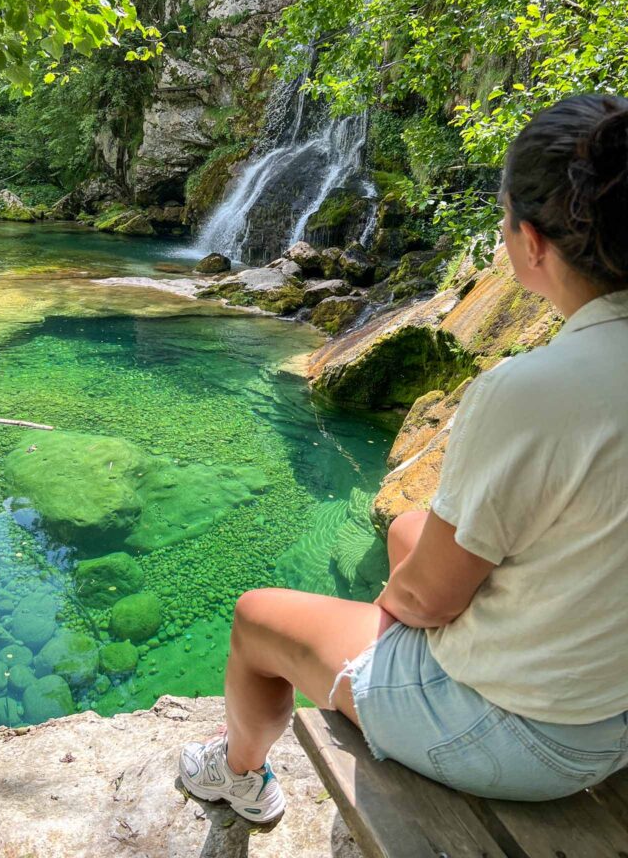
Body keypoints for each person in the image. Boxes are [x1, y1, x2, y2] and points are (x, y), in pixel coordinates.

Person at [178, 94, 628, 822]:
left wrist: (397, 612)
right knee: (407, 526)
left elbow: (428, 599)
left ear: (532, 241)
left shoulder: (532, 392)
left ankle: (239, 777)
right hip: (610, 697)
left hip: (532, 738)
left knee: (257, 617)